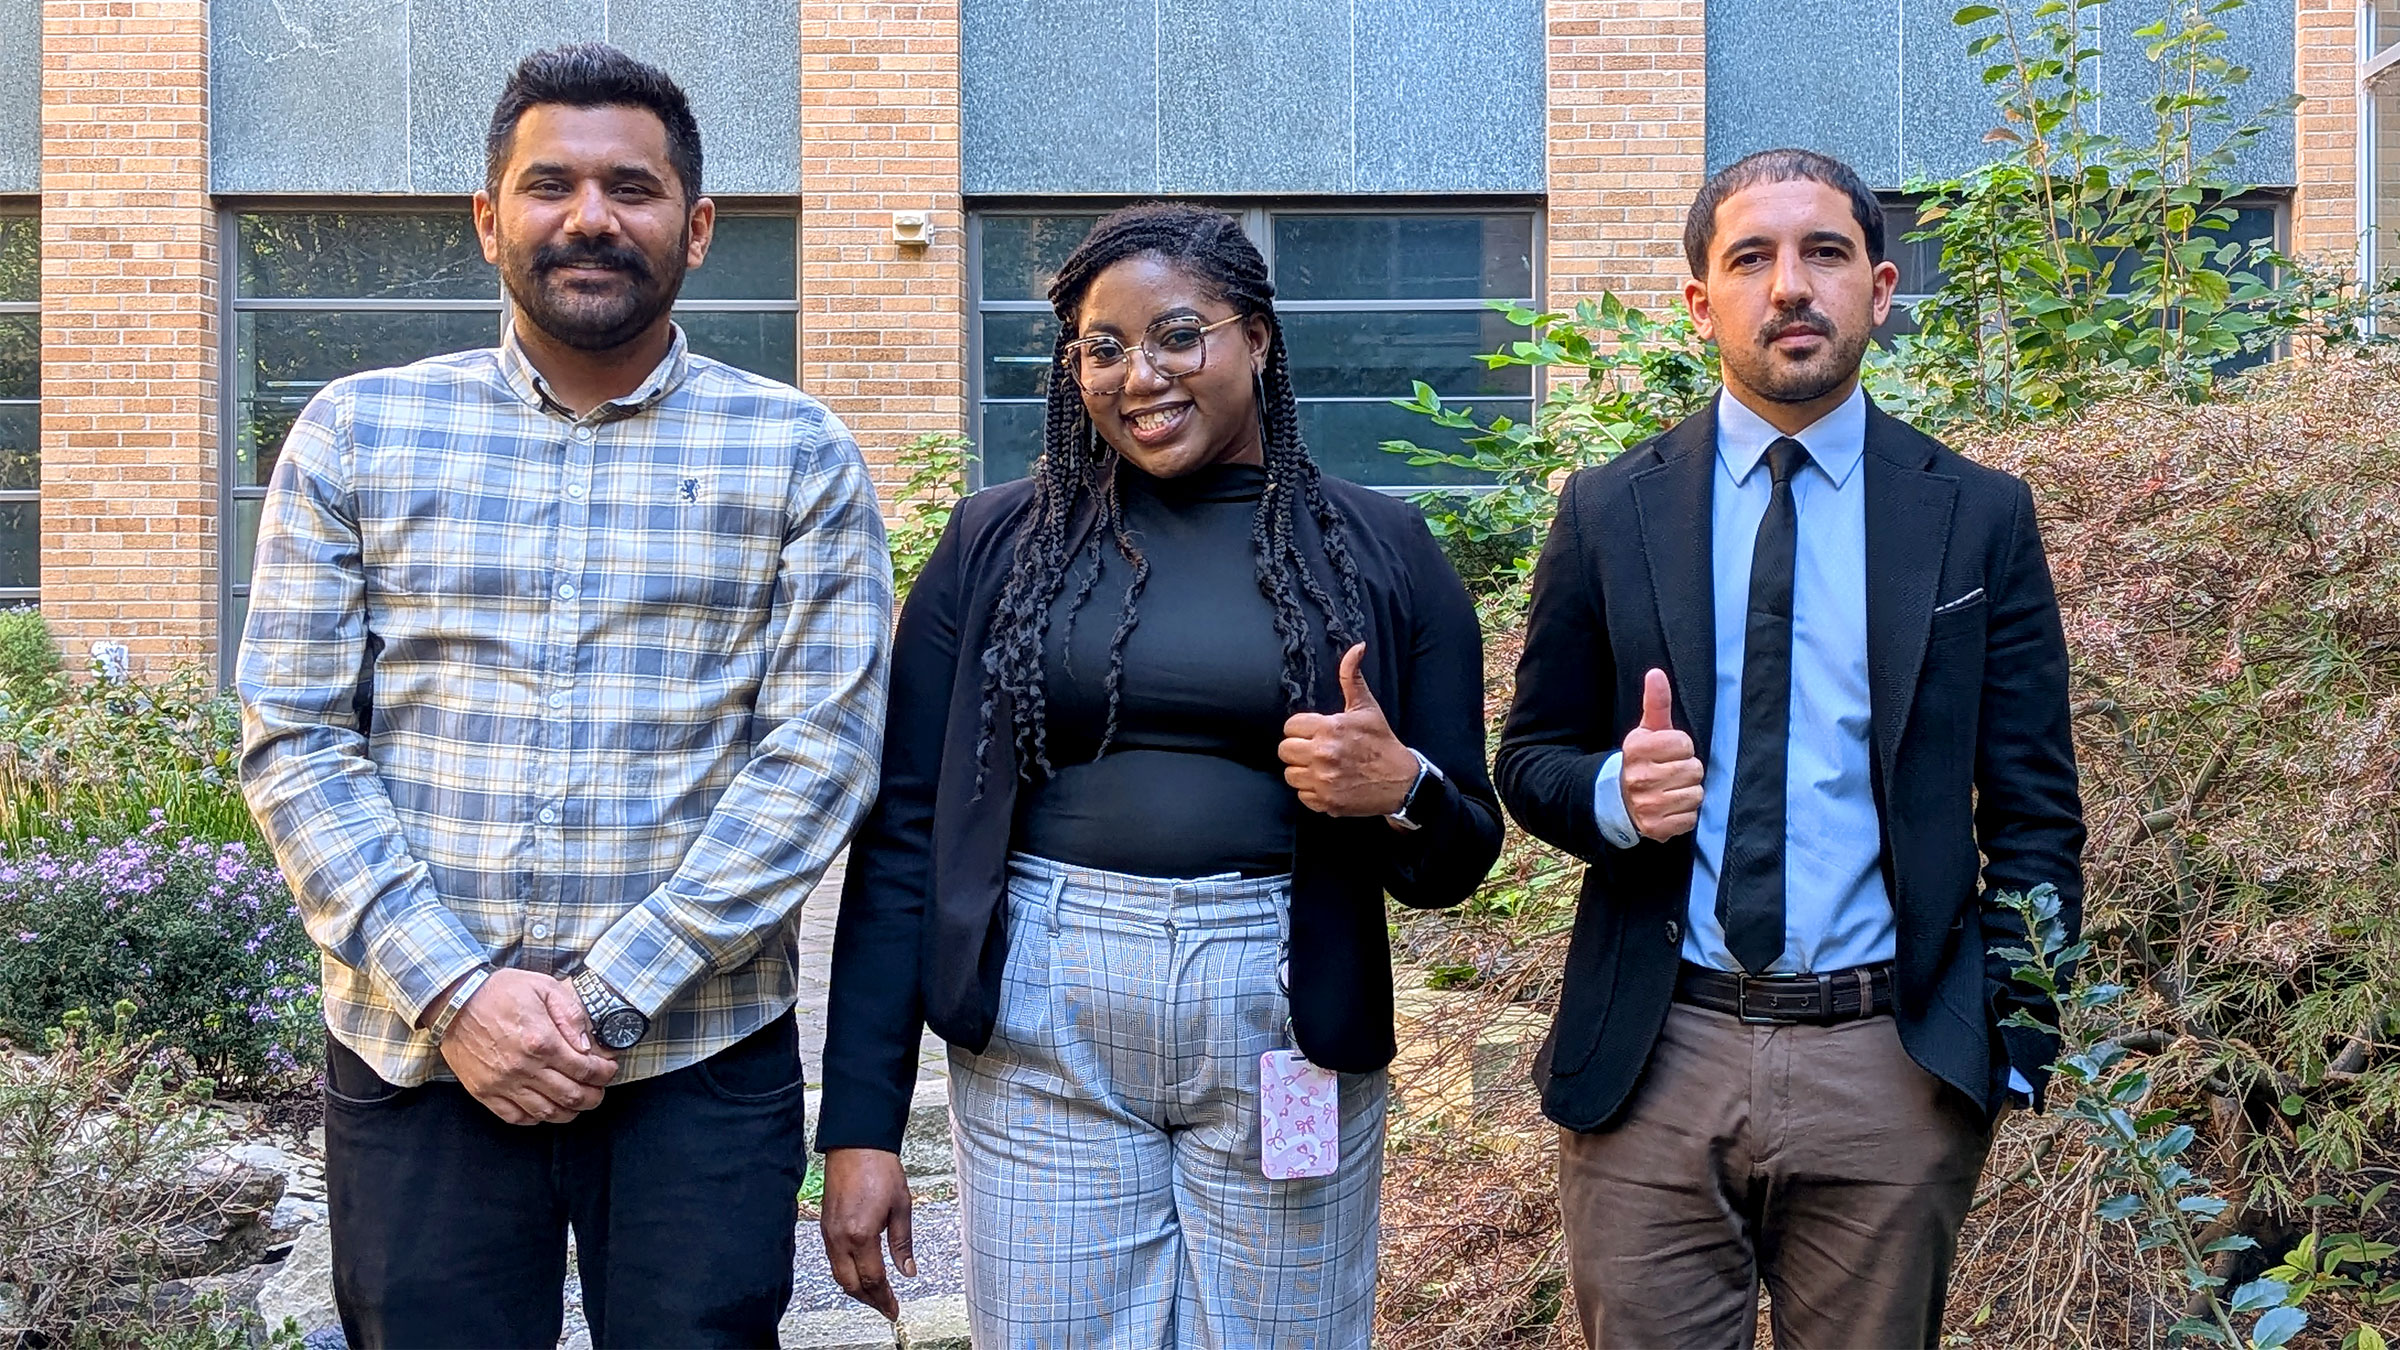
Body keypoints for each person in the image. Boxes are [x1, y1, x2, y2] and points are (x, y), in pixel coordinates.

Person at [236, 44, 890, 1348]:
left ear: (696, 225)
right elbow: (296, 738)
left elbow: (819, 752)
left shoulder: (797, 451)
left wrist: (605, 998)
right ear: (490, 219)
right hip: (419, 1053)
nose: (592, 217)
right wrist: (458, 995)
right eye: (552, 186)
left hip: (697, 1058)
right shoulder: (356, 433)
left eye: (632, 188)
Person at [813, 202, 1503, 1345]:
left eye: (1179, 335)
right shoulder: (995, 546)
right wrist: (860, 1124)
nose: (1141, 376)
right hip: (1044, 1022)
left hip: (1288, 1016)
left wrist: (1403, 789)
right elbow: (905, 837)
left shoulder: (1382, 553)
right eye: (1104, 347)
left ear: (1257, 339)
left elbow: (1459, 854)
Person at [1495, 148, 2086, 1349]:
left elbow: (2035, 807)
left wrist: (2009, 1042)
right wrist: (1612, 793)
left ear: (1880, 285)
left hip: (1891, 1063)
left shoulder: (1977, 515)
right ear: (1699, 301)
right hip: (1658, 1051)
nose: (1791, 287)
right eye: (1751, 258)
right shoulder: (1609, 509)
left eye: (1824, 253)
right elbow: (1532, 755)